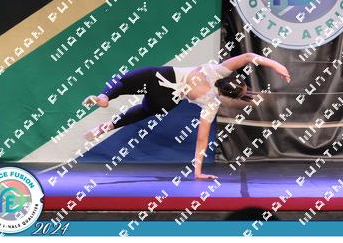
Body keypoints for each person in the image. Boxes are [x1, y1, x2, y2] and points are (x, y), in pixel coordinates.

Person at [81, 52, 291, 180]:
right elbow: (202, 139)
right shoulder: (211, 103)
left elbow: (247, 57)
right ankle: (107, 126)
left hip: (159, 76)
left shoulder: (218, 71)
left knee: (121, 81)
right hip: (167, 99)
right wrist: (197, 171)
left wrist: (276, 65)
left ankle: (104, 97)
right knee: (145, 111)